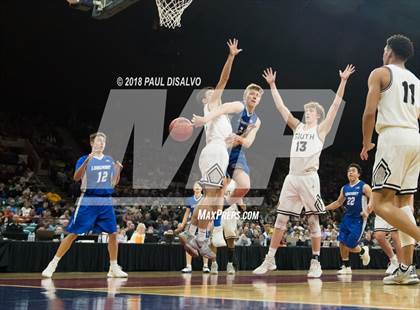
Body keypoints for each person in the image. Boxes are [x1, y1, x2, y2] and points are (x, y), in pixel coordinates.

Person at [253, 64, 355, 277]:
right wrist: (272, 85)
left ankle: (315, 262)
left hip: (309, 179)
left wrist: (343, 81)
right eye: (306, 111)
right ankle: (269, 259)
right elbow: (281, 109)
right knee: (280, 220)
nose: (307, 113)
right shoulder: (297, 127)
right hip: (292, 177)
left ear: (318, 115)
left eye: (311, 111)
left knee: (312, 220)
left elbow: (336, 106)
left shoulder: (321, 129)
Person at [361, 34, 420, 284]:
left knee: (380, 203)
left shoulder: (380, 73)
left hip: (392, 138)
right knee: (404, 205)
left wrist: (366, 142)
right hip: (414, 138)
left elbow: (369, 112)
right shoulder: (417, 81)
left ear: (389, 51)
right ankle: (406, 269)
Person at [179, 38, 244, 259]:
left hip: (217, 152)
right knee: (211, 198)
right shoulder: (212, 103)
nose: (215, 92)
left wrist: (233, 140)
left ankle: (199, 235)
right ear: (208, 98)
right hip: (214, 152)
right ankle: (192, 233)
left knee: (215, 198)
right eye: (211, 92)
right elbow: (224, 78)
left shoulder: (219, 115)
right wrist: (231, 57)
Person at [42, 132, 127, 278]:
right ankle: (53, 264)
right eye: (99, 141)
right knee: (73, 233)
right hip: (88, 200)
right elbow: (76, 177)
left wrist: (118, 170)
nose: (101, 143)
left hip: (105, 200)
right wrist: (88, 160)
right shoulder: (83, 159)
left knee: (113, 234)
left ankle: (113, 267)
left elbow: (113, 183)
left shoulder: (109, 160)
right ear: (92, 143)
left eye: (103, 141)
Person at [324, 164, 372, 275]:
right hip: (347, 218)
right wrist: (324, 208)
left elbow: (373, 198)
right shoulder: (344, 188)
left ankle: (363, 250)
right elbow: (338, 202)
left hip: (358, 219)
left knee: (350, 245)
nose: (350, 172)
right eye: (349, 171)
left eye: (353, 171)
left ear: (358, 174)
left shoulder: (363, 186)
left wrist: (367, 212)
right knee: (341, 243)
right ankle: (346, 267)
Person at [175, 182, 210, 273]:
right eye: (196, 185)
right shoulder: (189, 200)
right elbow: (187, 213)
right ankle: (188, 266)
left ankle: (205, 266)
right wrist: (182, 224)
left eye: (199, 186)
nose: (197, 187)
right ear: (193, 188)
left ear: (202, 188)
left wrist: (210, 225)